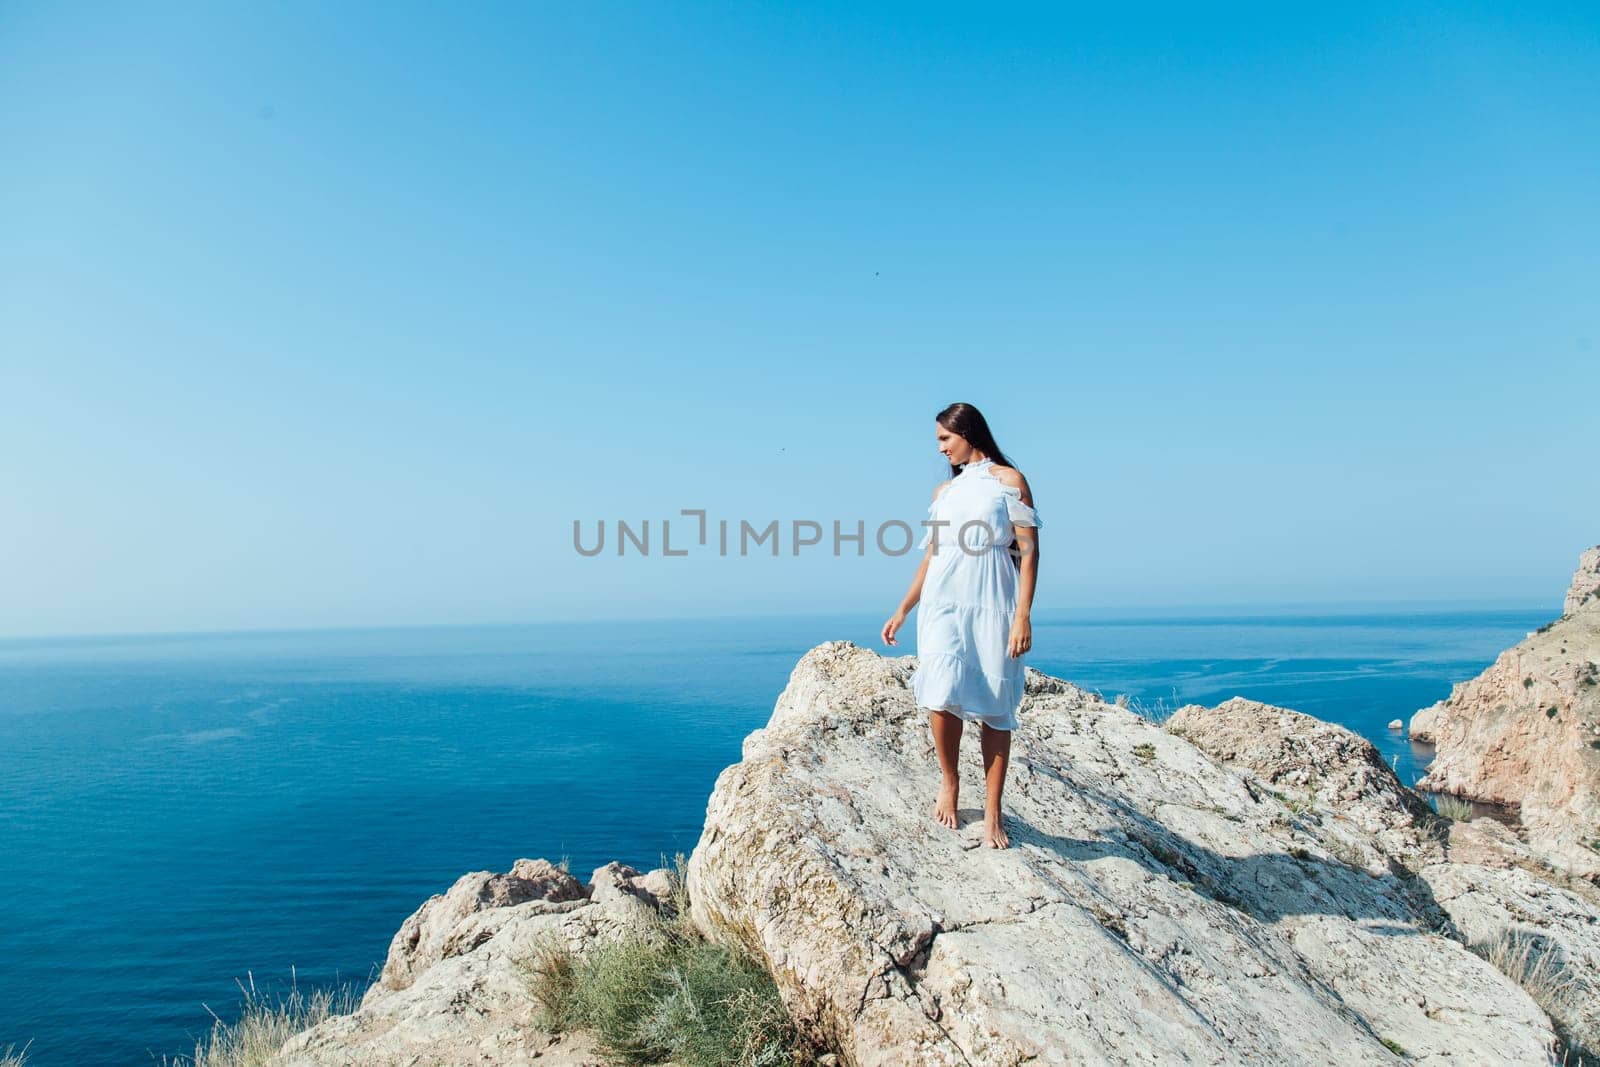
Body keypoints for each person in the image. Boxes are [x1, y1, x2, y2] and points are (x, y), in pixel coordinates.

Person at [882, 403, 1043, 849]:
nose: (940, 448)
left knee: (995, 703)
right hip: (942, 603)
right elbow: (931, 556)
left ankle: (993, 811)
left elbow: (1028, 553)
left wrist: (1023, 614)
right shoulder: (943, 493)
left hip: (991, 601)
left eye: (944, 439)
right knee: (941, 691)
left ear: (967, 433)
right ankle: (949, 782)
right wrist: (904, 608)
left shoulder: (1009, 482)